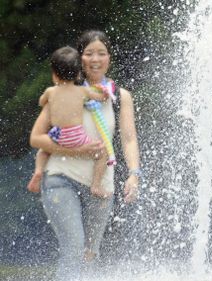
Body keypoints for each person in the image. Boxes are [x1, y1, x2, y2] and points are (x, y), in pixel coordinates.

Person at [30, 30, 141, 280]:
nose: (95, 59)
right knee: (73, 248)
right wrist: (76, 149)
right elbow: (37, 138)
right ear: (80, 58)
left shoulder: (120, 97)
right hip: (61, 178)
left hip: (100, 185)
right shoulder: (64, 91)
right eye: (89, 53)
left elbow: (129, 138)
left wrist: (134, 174)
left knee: (90, 254)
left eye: (101, 53)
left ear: (109, 58)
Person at [27, 46, 111, 198]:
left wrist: (48, 99)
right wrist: (105, 92)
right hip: (77, 137)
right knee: (103, 153)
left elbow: (41, 102)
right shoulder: (82, 92)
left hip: (58, 136)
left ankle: (38, 171)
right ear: (78, 73)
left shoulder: (50, 91)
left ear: (54, 75)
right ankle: (96, 185)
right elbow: (100, 97)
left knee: (43, 150)